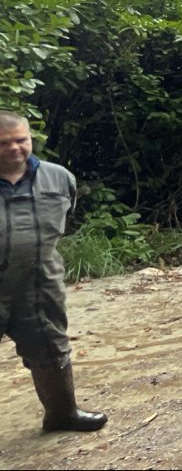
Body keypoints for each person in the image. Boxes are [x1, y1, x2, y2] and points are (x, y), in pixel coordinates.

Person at [0, 110, 106, 432]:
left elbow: (66, 213)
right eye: (4, 143)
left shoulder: (59, 177)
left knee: (50, 345)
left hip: (39, 279)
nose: (15, 148)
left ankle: (62, 415)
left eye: (22, 140)